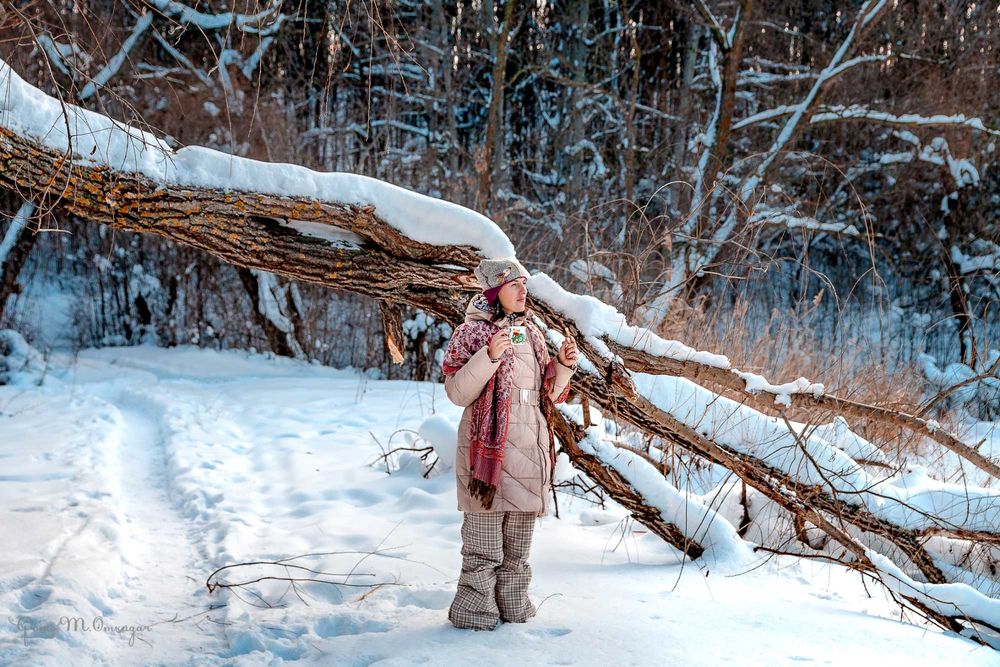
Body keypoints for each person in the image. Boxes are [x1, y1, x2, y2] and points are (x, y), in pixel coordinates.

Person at [441, 257, 578, 631]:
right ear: (494, 290)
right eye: (514, 284)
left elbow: (548, 394)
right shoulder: (470, 334)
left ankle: (515, 613)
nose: (523, 291)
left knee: (518, 551)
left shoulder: (532, 333)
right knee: (483, 550)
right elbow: (456, 392)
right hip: (486, 452)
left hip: (529, 446)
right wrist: (489, 356)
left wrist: (562, 367)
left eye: (524, 285)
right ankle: (474, 617)